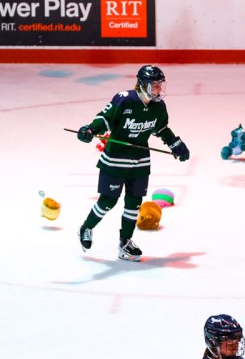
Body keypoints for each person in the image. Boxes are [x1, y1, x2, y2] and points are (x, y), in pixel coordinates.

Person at [75, 65, 189, 260]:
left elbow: (161, 129)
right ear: (143, 85)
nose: (158, 90)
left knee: (134, 204)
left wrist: (175, 144)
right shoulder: (124, 99)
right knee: (107, 202)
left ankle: (125, 242)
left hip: (140, 161)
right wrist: (90, 130)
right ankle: (86, 227)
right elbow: (104, 119)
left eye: (160, 86)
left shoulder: (158, 107)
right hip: (115, 160)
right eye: (155, 86)